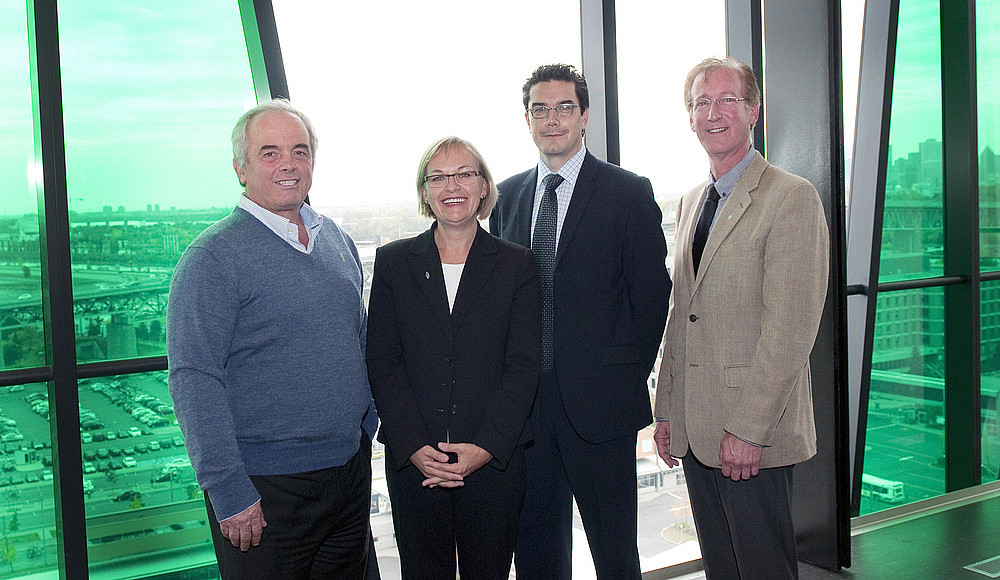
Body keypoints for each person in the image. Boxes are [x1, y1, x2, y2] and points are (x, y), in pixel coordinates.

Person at [167, 99, 378, 579]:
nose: (288, 163)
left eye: (299, 151)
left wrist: (366, 428)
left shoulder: (335, 240)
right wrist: (229, 491)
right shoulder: (211, 258)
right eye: (269, 152)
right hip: (265, 491)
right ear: (240, 168)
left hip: (347, 475)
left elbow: (358, 340)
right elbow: (193, 381)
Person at [489, 64, 671, 579]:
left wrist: (619, 375)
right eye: (540, 109)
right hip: (526, 414)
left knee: (615, 553)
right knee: (537, 555)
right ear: (526, 119)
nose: (553, 119)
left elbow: (652, 299)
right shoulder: (506, 198)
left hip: (602, 411)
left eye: (564, 107)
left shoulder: (627, 193)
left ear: (584, 115)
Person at [653, 57, 830, 579]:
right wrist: (667, 411)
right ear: (690, 119)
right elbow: (681, 316)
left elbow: (790, 331)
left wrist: (749, 430)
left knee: (763, 569)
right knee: (723, 570)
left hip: (754, 435)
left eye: (728, 100)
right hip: (698, 429)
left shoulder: (791, 197)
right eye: (701, 103)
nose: (714, 112)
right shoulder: (689, 203)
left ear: (753, 110)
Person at [366, 136, 541, 579]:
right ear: (425, 192)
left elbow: (522, 368)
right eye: (438, 177)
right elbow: (383, 364)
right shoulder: (392, 264)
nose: (452, 185)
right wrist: (414, 447)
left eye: (464, 174)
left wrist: (484, 448)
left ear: (484, 186)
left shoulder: (516, 265)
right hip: (416, 466)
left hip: (492, 466)